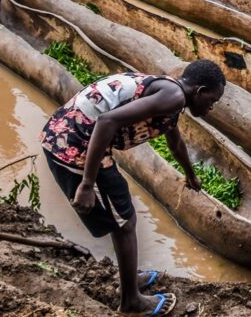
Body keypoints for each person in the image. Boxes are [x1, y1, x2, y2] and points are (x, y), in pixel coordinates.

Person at [40, 60, 226, 315]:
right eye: (212, 100)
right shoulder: (173, 97)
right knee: (124, 223)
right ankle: (131, 302)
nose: (212, 107)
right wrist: (87, 183)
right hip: (74, 144)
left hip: (70, 131)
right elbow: (106, 121)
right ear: (199, 90)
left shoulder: (170, 94)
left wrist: (190, 174)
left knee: (123, 217)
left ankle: (129, 281)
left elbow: (175, 141)